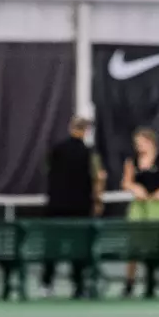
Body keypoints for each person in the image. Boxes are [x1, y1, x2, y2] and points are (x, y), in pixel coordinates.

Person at [41, 115, 104, 296]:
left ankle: (47, 283)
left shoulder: (56, 150)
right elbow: (98, 177)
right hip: (80, 208)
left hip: (55, 207)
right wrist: (97, 201)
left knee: (52, 246)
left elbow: (48, 170)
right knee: (79, 246)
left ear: (71, 128)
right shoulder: (89, 153)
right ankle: (78, 286)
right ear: (86, 131)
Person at [120, 127, 159, 296]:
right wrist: (135, 188)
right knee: (135, 246)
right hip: (139, 209)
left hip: (158, 208)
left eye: (142, 142)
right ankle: (129, 284)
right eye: (136, 143)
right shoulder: (131, 162)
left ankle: (157, 281)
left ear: (151, 142)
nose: (138, 146)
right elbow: (126, 182)